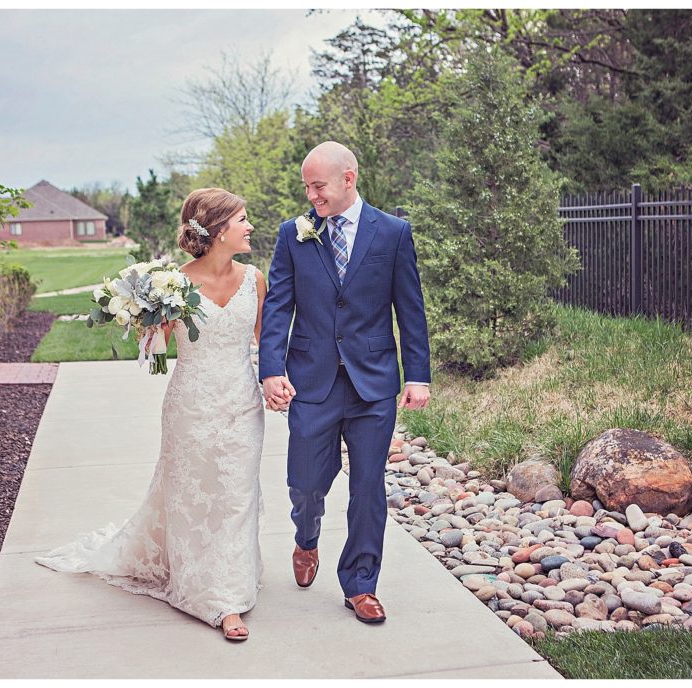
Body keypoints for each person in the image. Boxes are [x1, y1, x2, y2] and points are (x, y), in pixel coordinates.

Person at [35, 188, 266, 642]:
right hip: (191, 405)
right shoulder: (173, 284)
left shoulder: (256, 278)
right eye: (241, 219)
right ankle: (211, 597)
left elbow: (269, 343)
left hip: (241, 403)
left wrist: (284, 381)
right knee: (193, 496)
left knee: (238, 495)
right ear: (218, 231)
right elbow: (153, 350)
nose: (249, 226)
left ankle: (232, 585)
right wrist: (141, 315)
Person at [259, 141, 431, 623]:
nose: (312, 196)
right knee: (307, 483)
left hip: (373, 383)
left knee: (369, 487)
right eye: (307, 187)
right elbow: (278, 307)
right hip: (312, 381)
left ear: (348, 178)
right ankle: (306, 537)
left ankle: (361, 583)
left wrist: (417, 374)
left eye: (319, 186)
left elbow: (409, 308)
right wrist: (272, 370)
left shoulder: (393, 233)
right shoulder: (294, 234)